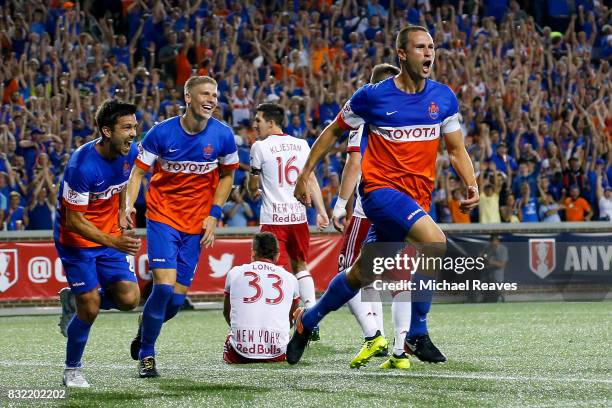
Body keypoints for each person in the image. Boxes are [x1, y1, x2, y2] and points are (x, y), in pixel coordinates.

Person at [287, 25, 479, 366]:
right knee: (435, 242)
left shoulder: (443, 97)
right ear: (402, 54)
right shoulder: (372, 96)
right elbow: (333, 133)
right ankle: (417, 334)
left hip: (416, 197)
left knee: (360, 274)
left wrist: (471, 183)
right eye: (421, 47)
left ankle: (308, 320)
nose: (429, 53)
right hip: (380, 193)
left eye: (432, 47)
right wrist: (305, 174)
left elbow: (456, 148)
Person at [125, 75, 238, 378]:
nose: (211, 99)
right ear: (188, 97)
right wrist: (127, 207)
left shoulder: (224, 136)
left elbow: (228, 176)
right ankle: (147, 355)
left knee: (174, 303)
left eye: (215, 94)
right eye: (205, 94)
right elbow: (137, 173)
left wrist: (214, 214)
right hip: (162, 218)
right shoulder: (160, 133)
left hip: (197, 225)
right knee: (162, 289)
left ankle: (145, 327)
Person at [331, 63, 414, 370]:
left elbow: (355, 164)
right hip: (406, 209)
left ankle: (373, 335)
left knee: (349, 270)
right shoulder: (412, 117)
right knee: (399, 279)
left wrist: (341, 204)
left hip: (370, 208)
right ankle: (400, 351)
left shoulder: (365, 118)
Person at [55, 99, 142, 387]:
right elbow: (74, 221)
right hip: (77, 242)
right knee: (90, 308)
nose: (133, 132)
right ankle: (72, 369)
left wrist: (121, 209)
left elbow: (120, 183)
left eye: (134, 126)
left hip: (108, 236)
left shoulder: (128, 152)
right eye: (126, 127)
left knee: (130, 299)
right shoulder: (81, 166)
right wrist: (114, 242)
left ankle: (76, 301)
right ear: (107, 131)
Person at [247, 103, 328, 340]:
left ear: (271, 123)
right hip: (299, 217)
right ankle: (312, 317)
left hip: (274, 219)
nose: (255, 125)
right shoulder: (302, 145)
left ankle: (277, 322)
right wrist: (322, 211)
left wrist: (254, 189)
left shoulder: (259, 147)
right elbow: (310, 179)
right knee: (300, 265)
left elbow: (253, 184)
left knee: (273, 271)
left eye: (259, 120)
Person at [223, 232, 300, 364]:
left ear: (253, 253)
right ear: (277, 255)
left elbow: (227, 312)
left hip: (240, 353)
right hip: (277, 352)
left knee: (231, 335)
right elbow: (291, 318)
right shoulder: (291, 279)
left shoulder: (234, 273)